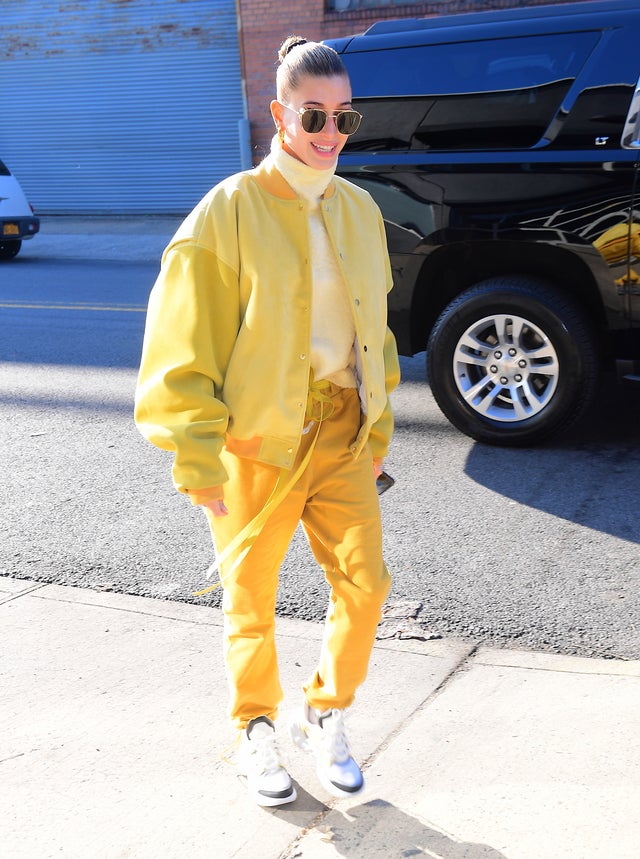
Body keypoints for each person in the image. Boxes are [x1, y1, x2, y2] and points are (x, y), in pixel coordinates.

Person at [134, 35, 400, 807]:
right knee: (249, 597)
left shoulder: (358, 208)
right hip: (258, 438)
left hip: (343, 431)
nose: (329, 132)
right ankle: (255, 729)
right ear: (279, 113)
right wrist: (195, 457)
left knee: (367, 584)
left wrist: (375, 429)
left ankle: (327, 708)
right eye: (313, 114)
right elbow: (182, 341)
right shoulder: (229, 210)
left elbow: (372, 332)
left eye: (343, 117)